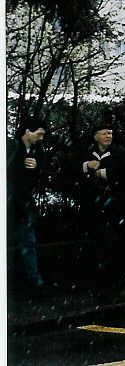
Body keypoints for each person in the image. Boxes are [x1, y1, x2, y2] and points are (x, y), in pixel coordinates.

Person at [80, 124, 125, 269]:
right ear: (95, 136)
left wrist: (106, 173)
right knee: (95, 235)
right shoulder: (87, 152)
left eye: (110, 133)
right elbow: (72, 170)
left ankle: (117, 267)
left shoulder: (120, 152)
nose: (108, 136)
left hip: (115, 202)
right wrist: (86, 166)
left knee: (117, 236)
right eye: (104, 133)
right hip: (93, 203)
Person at [7, 116, 47, 291]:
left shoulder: (37, 152)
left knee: (28, 243)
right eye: (39, 134)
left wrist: (37, 169)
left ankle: (34, 283)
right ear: (27, 131)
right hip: (11, 204)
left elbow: (40, 180)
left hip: (22, 207)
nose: (41, 138)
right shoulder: (11, 147)